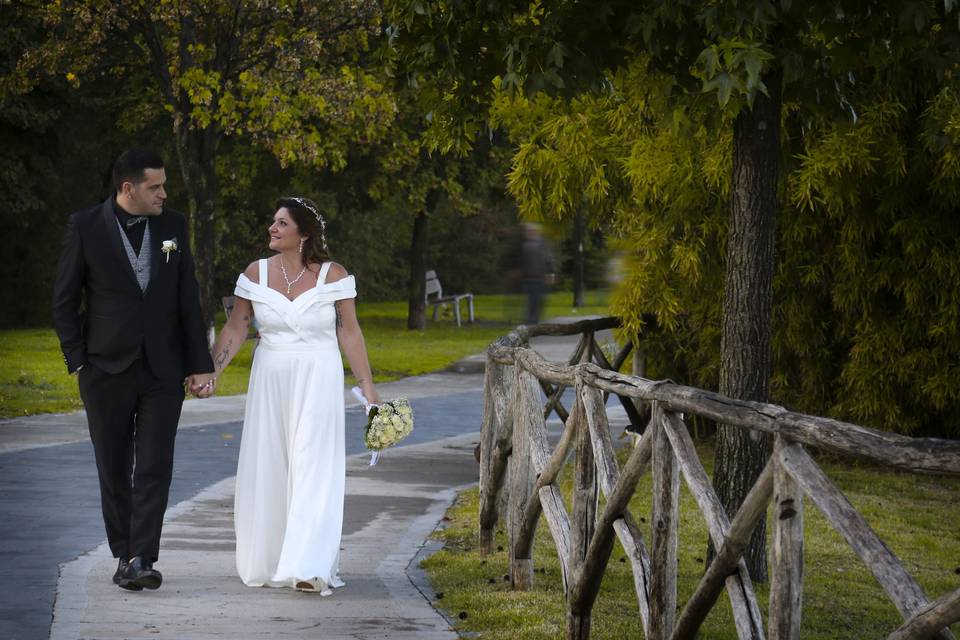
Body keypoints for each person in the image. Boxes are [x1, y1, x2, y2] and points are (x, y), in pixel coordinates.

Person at [52, 148, 215, 591]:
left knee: (155, 465)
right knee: (114, 465)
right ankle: (124, 553)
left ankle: (142, 556)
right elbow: (64, 301)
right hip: (104, 368)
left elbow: (187, 296)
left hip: (164, 368)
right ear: (129, 188)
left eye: (164, 185)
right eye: (155, 187)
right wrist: (79, 360)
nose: (164, 193)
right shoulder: (86, 226)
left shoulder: (173, 226)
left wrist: (200, 364)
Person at [200, 196, 379, 595]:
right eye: (273, 221)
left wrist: (367, 387)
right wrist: (211, 372)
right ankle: (270, 557)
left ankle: (309, 565)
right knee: (271, 464)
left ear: (303, 234)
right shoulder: (255, 273)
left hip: (318, 375)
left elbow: (349, 331)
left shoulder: (334, 276)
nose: (272, 228)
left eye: (281, 223)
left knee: (313, 465)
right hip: (271, 378)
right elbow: (236, 328)